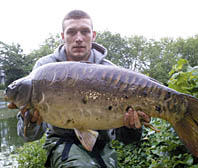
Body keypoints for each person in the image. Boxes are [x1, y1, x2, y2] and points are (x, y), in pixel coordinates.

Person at [17, 10, 150, 168]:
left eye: (85, 32)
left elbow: (125, 139)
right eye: (71, 32)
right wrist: (31, 121)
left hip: (102, 146)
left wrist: (132, 126)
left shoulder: (111, 71)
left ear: (93, 35)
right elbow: (27, 136)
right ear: (62, 36)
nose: (78, 38)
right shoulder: (44, 69)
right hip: (62, 143)